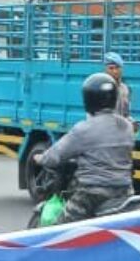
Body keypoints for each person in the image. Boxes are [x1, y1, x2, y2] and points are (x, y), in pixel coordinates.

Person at [37, 71, 134, 224]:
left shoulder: (83, 129)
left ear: (88, 99)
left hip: (92, 195)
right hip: (125, 192)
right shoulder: (127, 126)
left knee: (57, 232)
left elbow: (54, 157)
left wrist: (41, 158)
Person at [103, 51, 134, 121]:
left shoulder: (126, 89)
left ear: (122, 69)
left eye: (117, 68)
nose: (115, 71)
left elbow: (126, 113)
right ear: (105, 70)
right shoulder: (100, 88)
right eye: (111, 68)